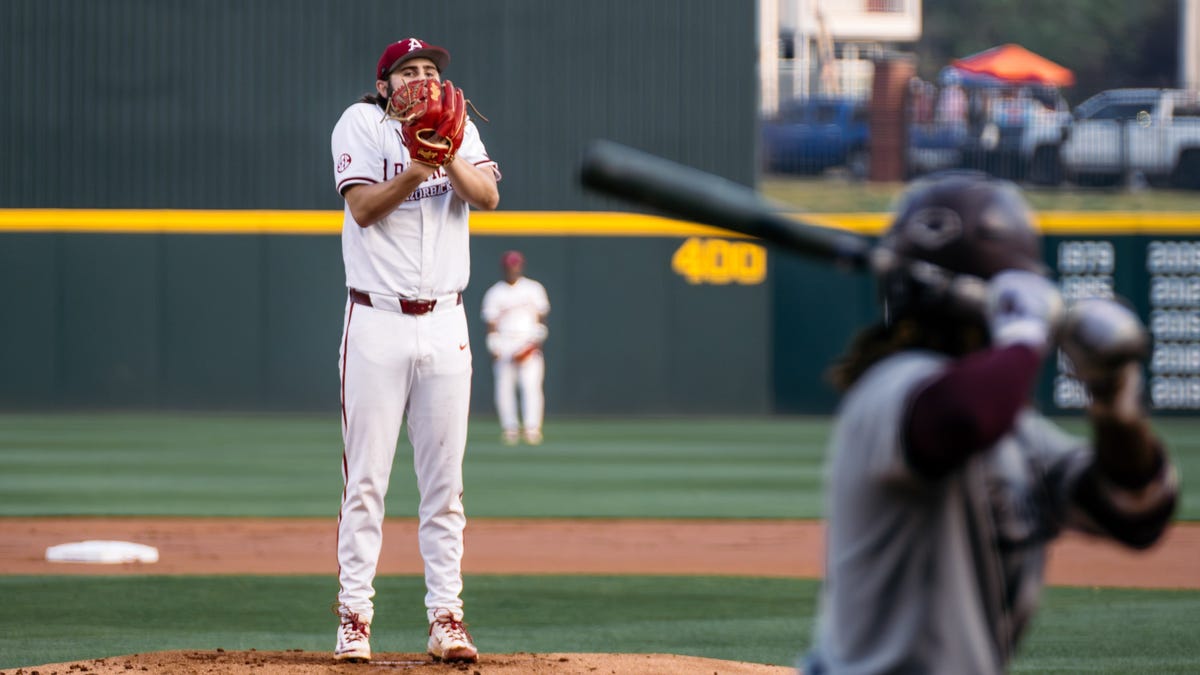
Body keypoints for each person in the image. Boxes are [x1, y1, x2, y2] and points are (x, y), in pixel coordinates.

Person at [803, 172, 1178, 675]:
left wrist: (1114, 408)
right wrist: (1025, 333)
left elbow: (1137, 512)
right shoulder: (889, 391)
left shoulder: (1017, 433)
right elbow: (961, 418)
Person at [328, 36, 500, 664]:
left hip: (446, 321)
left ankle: (446, 618)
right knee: (366, 482)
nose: (423, 78)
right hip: (377, 319)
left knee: (445, 486)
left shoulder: (456, 125)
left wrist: (446, 155)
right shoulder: (360, 123)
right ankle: (354, 620)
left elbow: (487, 197)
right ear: (384, 86)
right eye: (408, 71)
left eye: (430, 69)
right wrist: (418, 169)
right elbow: (363, 208)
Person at [480, 250, 551, 445]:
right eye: (510, 265)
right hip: (505, 342)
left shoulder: (533, 288)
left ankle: (532, 428)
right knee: (504, 388)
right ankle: (510, 428)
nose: (513, 269)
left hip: (527, 340)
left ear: (521, 266)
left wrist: (534, 344)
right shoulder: (495, 292)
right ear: (504, 268)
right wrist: (494, 345)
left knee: (531, 387)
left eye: (516, 265)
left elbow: (541, 317)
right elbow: (491, 322)